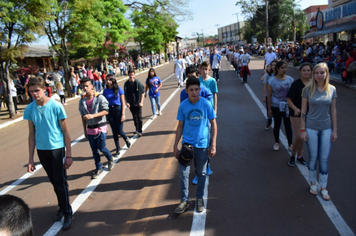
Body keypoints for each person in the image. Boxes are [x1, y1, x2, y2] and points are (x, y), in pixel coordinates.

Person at [24, 76, 74, 230]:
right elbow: (31, 134)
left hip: (57, 148)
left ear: (44, 89)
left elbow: (65, 131)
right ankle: (61, 206)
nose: (34, 94)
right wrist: (31, 159)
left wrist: (69, 154)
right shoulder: (29, 109)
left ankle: (67, 212)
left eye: (37, 90)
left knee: (60, 182)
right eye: (31, 91)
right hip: (42, 150)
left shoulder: (56, 106)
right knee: (53, 181)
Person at [173, 76, 217, 214]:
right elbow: (180, 126)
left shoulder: (206, 104)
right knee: (183, 173)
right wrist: (175, 145)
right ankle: (184, 200)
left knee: (201, 172)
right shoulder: (183, 105)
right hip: (187, 145)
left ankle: (199, 199)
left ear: (200, 89)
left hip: (202, 145)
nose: (194, 92)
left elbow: (214, 124)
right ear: (186, 91)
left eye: (196, 89)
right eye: (191, 90)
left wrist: (213, 144)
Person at [300, 63, 337, 201]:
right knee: (313, 157)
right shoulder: (307, 90)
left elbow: (333, 110)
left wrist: (335, 130)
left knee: (324, 159)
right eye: (317, 73)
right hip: (311, 127)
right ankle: (312, 182)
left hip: (326, 127)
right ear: (313, 74)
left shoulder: (332, 89)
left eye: (322, 72)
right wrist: (303, 129)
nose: (319, 75)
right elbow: (303, 111)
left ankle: (323, 186)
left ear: (326, 74)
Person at [78, 77, 114, 179]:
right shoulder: (82, 101)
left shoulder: (99, 97)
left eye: (86, 86)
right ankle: (99, 167)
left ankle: (110, 158)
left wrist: (93, 116)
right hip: (90, 128)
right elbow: (83, 117)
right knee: (94, 150)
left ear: (91, 86)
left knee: (101, 147)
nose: (85, 88)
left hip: (101, 127)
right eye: (83, 86)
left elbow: (106, 111)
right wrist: (84, 130)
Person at [286, 63, 312, 166]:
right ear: (300, 72)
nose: (306, 72)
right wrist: (295, 108)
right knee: (299, 136)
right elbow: (289, 99)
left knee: (304, 136)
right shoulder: (296, 84)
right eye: (304, 70)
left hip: (310, 113)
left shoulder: (314, 84)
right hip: (296, 113)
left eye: (308, 70)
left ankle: (300, 156)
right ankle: (293, 155)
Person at [103, 74, 131, 157]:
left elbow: (123, 102)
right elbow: (104, 104)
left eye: (109, 80)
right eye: (107, 80)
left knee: (120, 131)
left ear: (113, 80)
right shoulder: (105, 91)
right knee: (114, 132)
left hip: (118, 109)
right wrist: (106, 116)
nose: (108, 81)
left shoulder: (119, 89)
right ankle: (118, 148)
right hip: (110, 111)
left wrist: (123, 114)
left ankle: (126, 139)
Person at [267, 61, 293, 151]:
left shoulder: (290, 79)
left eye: (285, 68)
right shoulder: (272, 81)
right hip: (276, 105)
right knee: (277, 124)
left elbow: (293, 94)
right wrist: (269, 109)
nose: (284, 70)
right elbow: (269, 96)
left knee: (288, 125)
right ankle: (276, 142)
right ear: (277, 69)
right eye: (282, 68)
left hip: (287, 105)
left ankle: (290, 144)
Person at [124, 70, 145, 136]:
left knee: (139, 117)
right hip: (131, 103)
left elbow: (142, 93)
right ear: (128, 75)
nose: (131, 76)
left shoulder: (138, 83)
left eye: (132, 74)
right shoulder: (126, 84)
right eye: (130, 75)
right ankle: (137, 128)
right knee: (134, 117)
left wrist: (141, 102)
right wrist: (127, 102)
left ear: (134, 75)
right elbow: (125, 94)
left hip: (138, 103)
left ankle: (140, 130)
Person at [261, 60, 277, 130]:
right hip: (269, 95)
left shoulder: (279, 74)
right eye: (272, 65)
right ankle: (269, 121)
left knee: (277, 111)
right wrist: (264, 96)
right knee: (269, 110)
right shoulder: (268, 75)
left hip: (277, 96)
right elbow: (265, 86)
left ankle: (276, 123)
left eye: (275, 65)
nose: (273, 66)